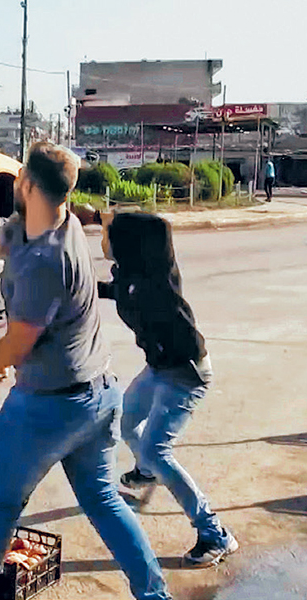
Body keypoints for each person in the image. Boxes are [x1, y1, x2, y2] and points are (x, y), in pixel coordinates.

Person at [0, 142, 172, 600]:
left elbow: (20, 339)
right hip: (99, 397)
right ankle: (154, 594)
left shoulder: (47, 257)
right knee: (103, 501)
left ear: (27, 184)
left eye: (20, 175)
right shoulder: (35, 226)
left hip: (52, 407)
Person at [97, 210, 239, 567]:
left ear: (127, 243)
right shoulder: (130, 278)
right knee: (126, 421)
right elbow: (113, 290)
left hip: (186, 373)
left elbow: (160, 227)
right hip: (159, 368)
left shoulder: (158, 278)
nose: (103, 240)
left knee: (158, 450)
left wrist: (107, 215)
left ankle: (215, 534)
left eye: (108, 235)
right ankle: (147, 471)